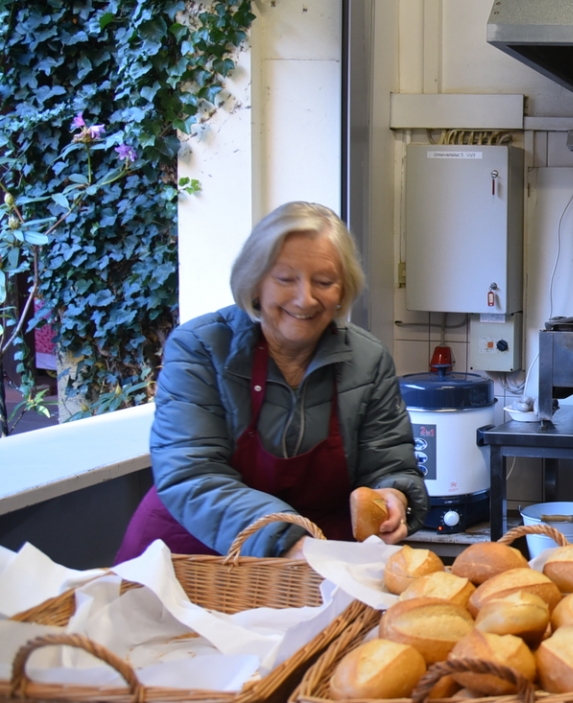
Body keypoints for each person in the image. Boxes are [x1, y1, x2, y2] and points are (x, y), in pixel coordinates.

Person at [116, 202, 427, 560]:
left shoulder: (368, 359)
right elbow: (193, 474)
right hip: (192, 558)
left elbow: (389, 463)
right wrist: (287, 542)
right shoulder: (201, 348)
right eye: (285, 279)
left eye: (324, 282)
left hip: (319, 559)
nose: (305, 298)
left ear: (343, 290)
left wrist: (394, 496)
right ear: (254, 282)